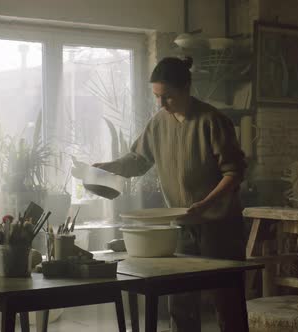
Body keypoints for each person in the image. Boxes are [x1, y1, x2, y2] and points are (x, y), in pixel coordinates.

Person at [87, 56, 247, 332]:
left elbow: (233, 173)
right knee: (181, 304)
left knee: (227, 302)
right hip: (182, 225)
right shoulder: (158, 123)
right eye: (157, 97)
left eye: (168, 97)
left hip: (220, 226)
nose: (161, 104)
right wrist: (108, 167)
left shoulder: (212, 121)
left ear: (186, 88)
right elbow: (138, 160)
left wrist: (205, 204)